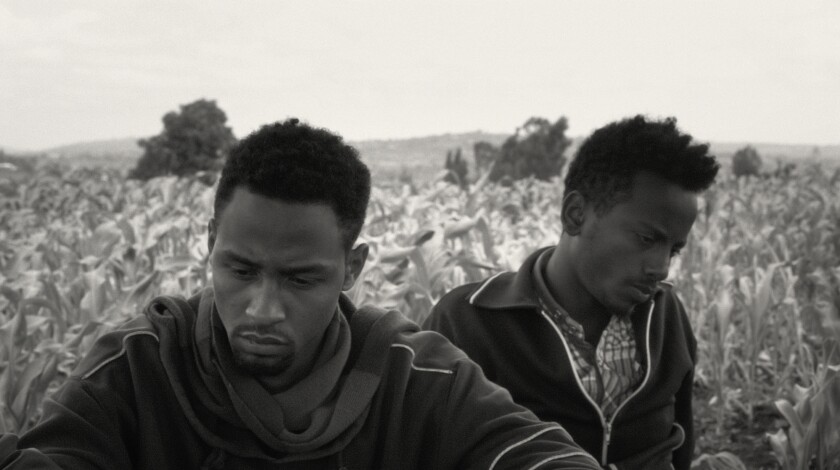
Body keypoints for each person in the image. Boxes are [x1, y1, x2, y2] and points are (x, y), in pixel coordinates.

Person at [0, 119, 600, 470]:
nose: (261, 309)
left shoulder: (417, 376)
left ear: (353, 267)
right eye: (239, 270)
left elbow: (532, 453)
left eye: (300, 279)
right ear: (210, 243)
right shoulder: (138, 368)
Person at [424, 115, 720, 470]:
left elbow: (679, 446)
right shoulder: (468, 321)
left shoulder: (666, 316)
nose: (661, 268)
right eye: (646, 239)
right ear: (575, 214)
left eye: (673, 249)